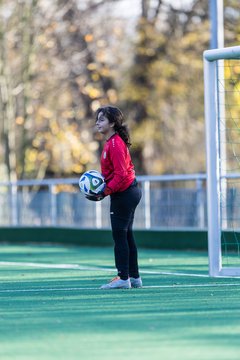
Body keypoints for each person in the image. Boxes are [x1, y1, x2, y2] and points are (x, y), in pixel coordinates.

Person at [86, 105, 142, 289]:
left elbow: (120, 174)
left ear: (112, 123)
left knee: (120, 236)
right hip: (126, 192)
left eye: (101, 119)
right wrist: (99, 186)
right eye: (97, 119)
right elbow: (113, 174)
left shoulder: (116, 144)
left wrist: (104, 192)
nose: (97, 123)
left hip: (125, 193)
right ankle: (134, 277)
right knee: (126, 236)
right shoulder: (111, 142)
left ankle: (123, 278)